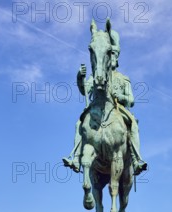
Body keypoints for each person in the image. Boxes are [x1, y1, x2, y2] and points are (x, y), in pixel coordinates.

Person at [63, 24, 147, 175]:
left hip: (117, 108)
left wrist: (120, 97)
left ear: (116, 57)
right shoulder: (94, 76)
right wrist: (79, 77)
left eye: (114, 54)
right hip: (95, 108)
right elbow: (84, 90)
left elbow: (131, 100)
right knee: (79, 124)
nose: (112, 57)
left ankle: (136, 160)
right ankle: (75, 158)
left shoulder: (123, 78)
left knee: (133, 124)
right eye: (111, 54)